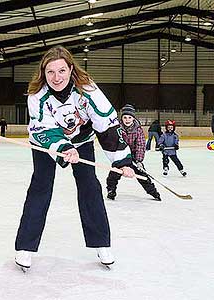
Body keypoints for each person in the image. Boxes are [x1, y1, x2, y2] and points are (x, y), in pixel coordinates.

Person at [14, 46, 135, 270]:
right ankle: (25, 247)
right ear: (43, 73)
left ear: (70, 69)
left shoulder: (87, 89)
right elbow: (44, 128)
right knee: (41, 186)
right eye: (50, 72)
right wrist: (63, 147)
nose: (56, 77)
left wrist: (122, 160)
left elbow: (106, 124)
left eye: (61, 71)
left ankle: (102, 244)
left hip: (82, 140)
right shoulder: (37, 95)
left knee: (89, 185)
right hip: (45, 143)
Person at [105, 104, 161, 201]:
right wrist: (118, 157)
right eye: (125, 117)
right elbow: (114, 143)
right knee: (114, 174)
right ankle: (111, 190)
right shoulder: (117, 128)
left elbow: (140, 144)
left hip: (134, 157)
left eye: (129, 117)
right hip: (122, 156)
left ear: (133, 118)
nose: (127, 120)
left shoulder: (138, 130)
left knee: (143, 176)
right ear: (121, 118)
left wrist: (138, 161)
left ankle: (153, 192)